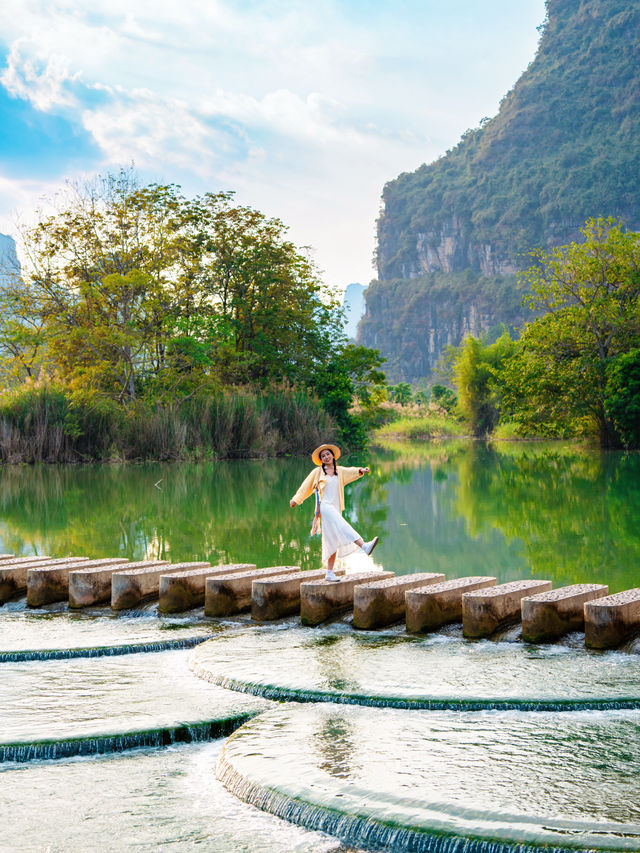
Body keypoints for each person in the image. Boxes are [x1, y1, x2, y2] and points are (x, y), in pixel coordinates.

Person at [289, 443, 378, 581]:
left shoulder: (340, 471)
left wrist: (362, 470)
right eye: (323, 456)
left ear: (332, 456)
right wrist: (296, 499)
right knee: (343, 526)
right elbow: (305, 487)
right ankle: (364, 545)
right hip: (325, 507)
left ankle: (329, 573)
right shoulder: (317, 473)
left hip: (336, 508)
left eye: (328, 454)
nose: (326, 457)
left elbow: (352, 471)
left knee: (332, 540)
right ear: (321, 459)